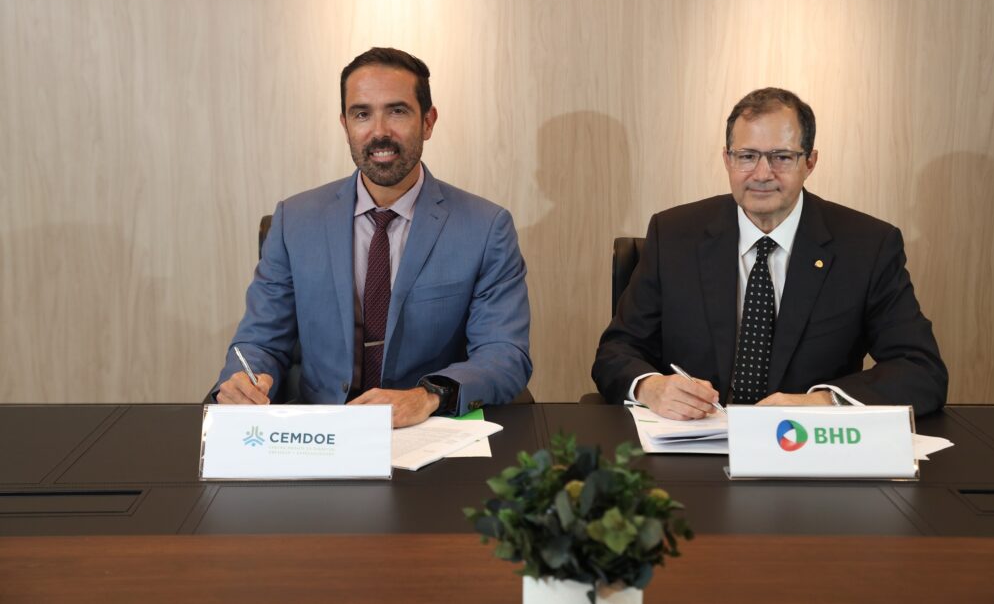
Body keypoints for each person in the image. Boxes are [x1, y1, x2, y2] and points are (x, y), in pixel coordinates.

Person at [215, 47, 531, 427]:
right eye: (362, 114)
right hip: (319, 434)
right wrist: (244, 382)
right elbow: (260, 341)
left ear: (428, 122)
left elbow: (504, 353)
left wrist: (428, 396)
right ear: (345, 125)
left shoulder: (485, 227)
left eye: (397, 111)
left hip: (427, 430)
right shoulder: (294, 221)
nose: (379, 132)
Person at [592, 87, 947, 419]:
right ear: (727, 160)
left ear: (810, 162)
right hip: (693, 441)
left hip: (805, 446)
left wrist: (821, 402)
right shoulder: (674, 236)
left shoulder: (867, 246)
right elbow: (616, 351)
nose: (762, 174)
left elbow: (920, 370)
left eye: (781, 157)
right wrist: (650, 387)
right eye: (747, 156)